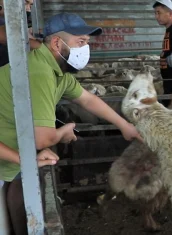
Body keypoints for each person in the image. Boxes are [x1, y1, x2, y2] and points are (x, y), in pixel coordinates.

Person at [0, 12, 142, 235]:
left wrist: (124, 126)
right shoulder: (40, 72)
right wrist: (63, 132)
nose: (85, 49)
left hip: (12, 159)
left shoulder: (58, 73)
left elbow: (88, 99)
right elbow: (43, 138)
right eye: (81, 42)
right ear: (57, 43)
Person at [0, 0, 41, 67]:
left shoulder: (4, 18)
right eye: (25, 2)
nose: (28, 10)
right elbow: (6, 35)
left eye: (30, 5)